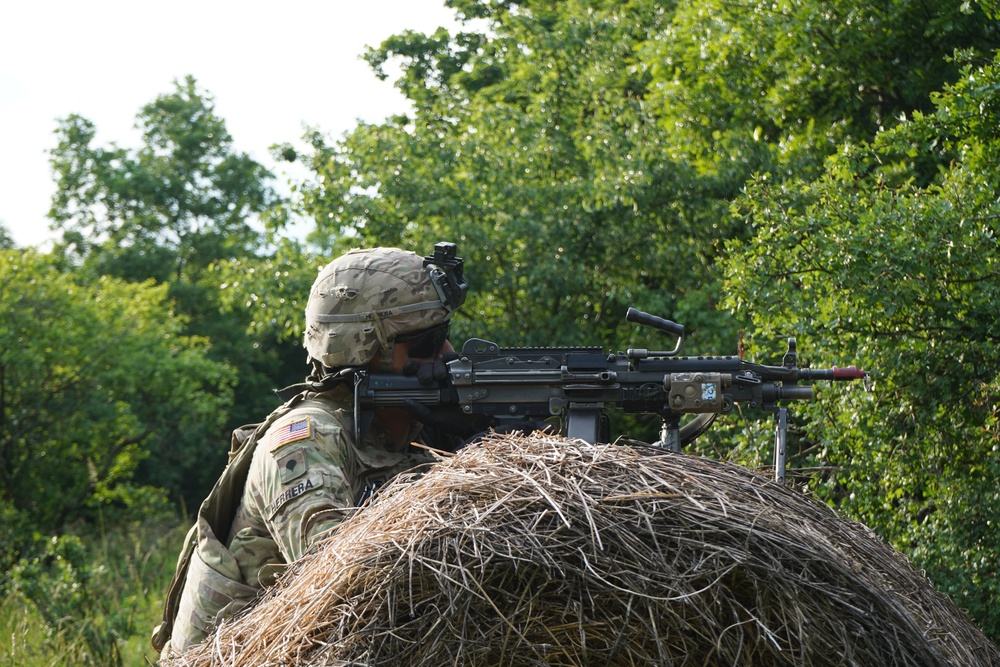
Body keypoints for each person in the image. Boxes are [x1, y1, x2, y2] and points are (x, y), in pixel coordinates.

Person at [152, 243, 471, 658]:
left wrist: (478, 450)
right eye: (428, 342)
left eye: (446, 336)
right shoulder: (307, 440)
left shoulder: (405, 431)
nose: (448, 355)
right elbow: (350, 598)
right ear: (364, 348)